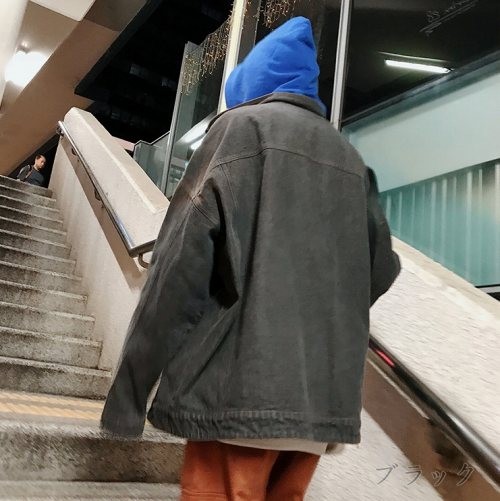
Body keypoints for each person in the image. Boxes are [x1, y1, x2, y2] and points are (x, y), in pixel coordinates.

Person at [101, 17, 400, 500]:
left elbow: (177, 269)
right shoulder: (349, 159)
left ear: (251, 87)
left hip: (236, 387)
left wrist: (128, 396)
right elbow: (382, 268)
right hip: (320, 400)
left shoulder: (239, 131)